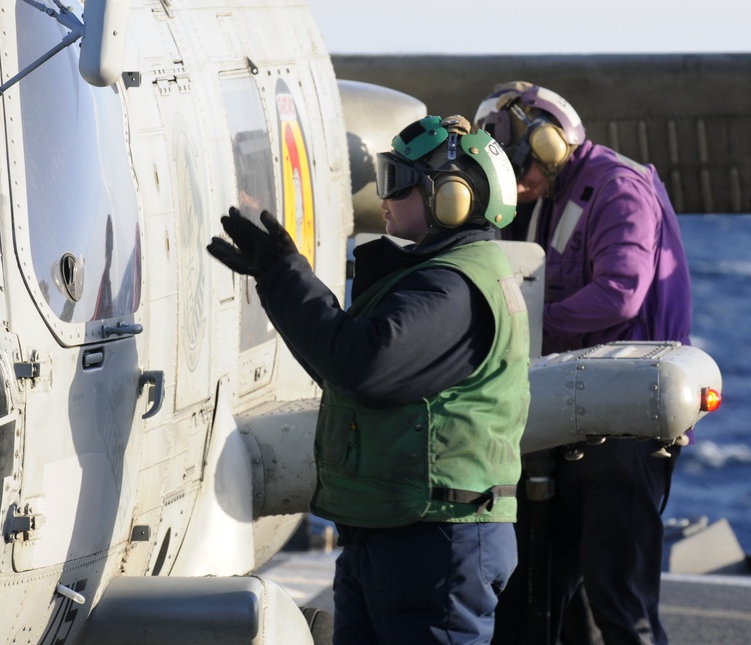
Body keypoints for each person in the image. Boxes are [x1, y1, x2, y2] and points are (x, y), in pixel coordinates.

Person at [208, 114, 531, 644]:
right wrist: (281, 277)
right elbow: (340, 369)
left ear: (451, 198)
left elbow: (362, 367)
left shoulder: (452, 291)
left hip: (436, 538)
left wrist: (285, 277)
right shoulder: (433, 278)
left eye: (397, 182)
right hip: (398, 529)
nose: (382, 196)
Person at [474, 81, 693, 645]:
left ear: (550, 144)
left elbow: (620, 293)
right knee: (541, 593)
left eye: (521, 169)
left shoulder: (618, 189)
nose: (517, 186)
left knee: (617, 597)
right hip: (573, 411)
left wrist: (526, 325)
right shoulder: (550, 197)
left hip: (623, 420)